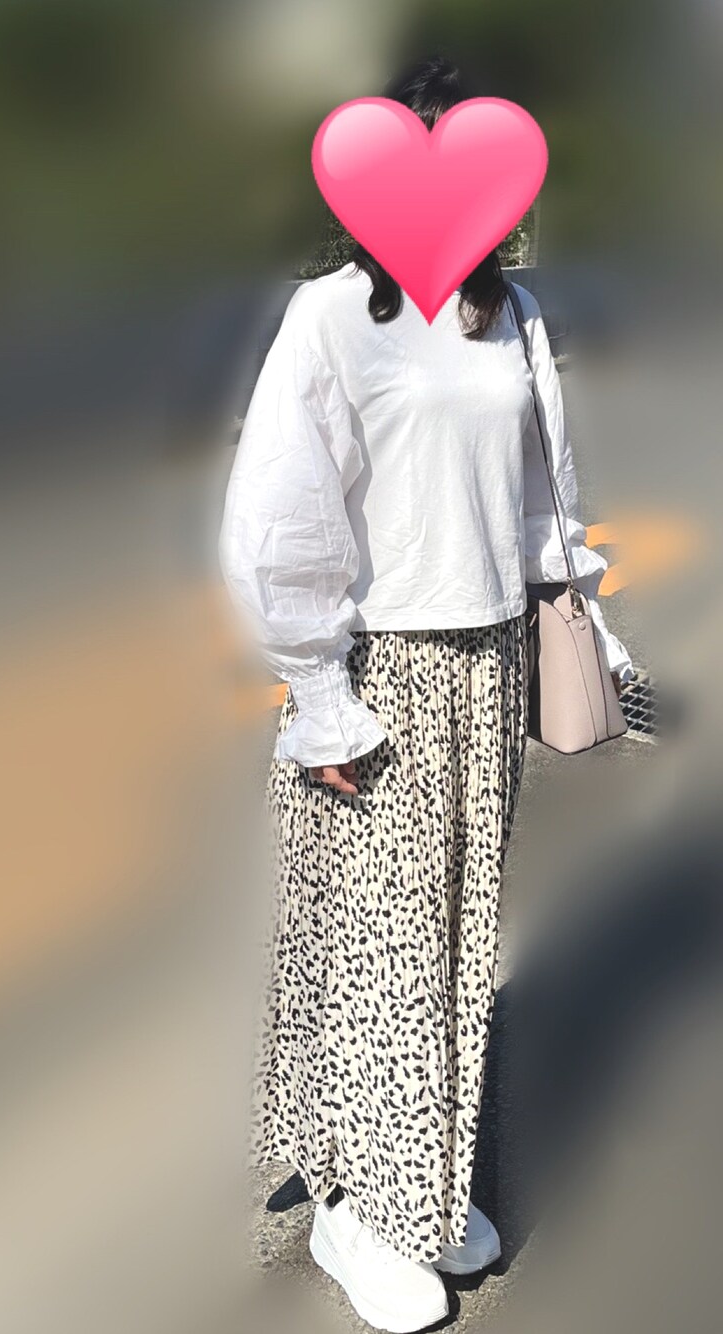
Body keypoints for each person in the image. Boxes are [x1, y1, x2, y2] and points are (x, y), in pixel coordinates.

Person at [217, 55, 633, 1334]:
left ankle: (424, 1177)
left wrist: (587, 623)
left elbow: (542, 490)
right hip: (381, 667)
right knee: (378, 951)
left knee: (455, 936)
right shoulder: (334, 316)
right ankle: (357, 1209)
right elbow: (279, 512)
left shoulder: (510, 316)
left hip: (489, 659)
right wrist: (318, 694)